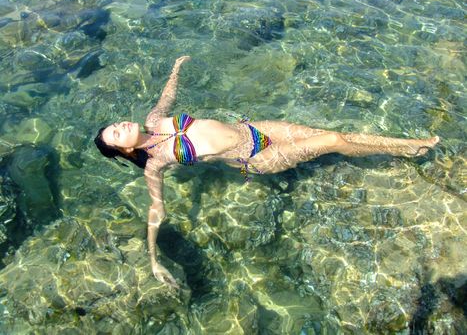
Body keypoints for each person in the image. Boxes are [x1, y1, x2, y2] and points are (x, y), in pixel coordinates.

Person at [94, 56, 439, 288]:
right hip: (258, 157)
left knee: (332, 134)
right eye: (115, 133)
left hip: (256, 128)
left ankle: (406, 144)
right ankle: (407, 146)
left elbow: (167, 95)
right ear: (124, 150)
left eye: (115, 124)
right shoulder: (155, 165)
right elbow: (157, 211)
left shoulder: (154, 120)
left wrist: (176, 68)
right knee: (333, 139)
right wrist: (154, 260)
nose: (121, 125)